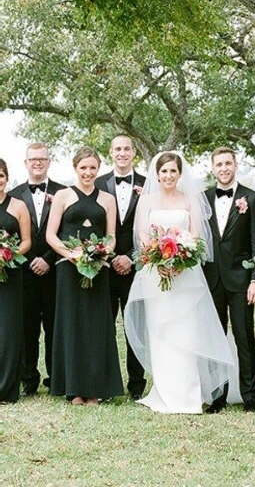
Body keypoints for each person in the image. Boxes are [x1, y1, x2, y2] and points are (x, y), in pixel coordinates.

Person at [124, 151, 234, 414]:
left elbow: (196, 236)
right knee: (161, 332)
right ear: (157, 174)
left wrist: (180, 261)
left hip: (186, 275)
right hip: (155, 274)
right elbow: (141, 235)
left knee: (185, 331)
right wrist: (158, 260)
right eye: (164, 171)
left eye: (173, 171)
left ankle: (188, 395)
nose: (169, 176)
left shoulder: (188, 200)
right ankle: (164, 392)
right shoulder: (146, 200)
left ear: (180, 173)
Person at [46, 146, 123, 405]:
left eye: (93, 167)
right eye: (83, 168)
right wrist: (71, 254)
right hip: (68, 270)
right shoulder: (63, 195)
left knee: (96, 326)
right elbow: (51, 235)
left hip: (99, 269)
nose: (88, 172)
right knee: (72, 324)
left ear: (98, 168)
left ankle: (95, 388)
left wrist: (102, 253)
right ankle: (74, 389)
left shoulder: (107, 199)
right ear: (75, 168)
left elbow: (112, 236)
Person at [203, 147, 255, 412]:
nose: (224, 168)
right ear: (213, 168)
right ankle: (217, 396)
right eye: (219, 164)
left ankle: (250, 397)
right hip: (211, 280)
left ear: (236, 165)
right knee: (214, 340)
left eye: (228, 163)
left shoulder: (252, 198)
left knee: (244, 338)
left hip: (242, 281)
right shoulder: (203, 198)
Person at [9, 142, 65, 396]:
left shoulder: (64, 192)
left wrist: (48, 259)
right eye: (33, 159)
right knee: (27, 327)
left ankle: (56, 379)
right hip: (25, 271)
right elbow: (12, 236)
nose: (38, 163)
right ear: (26, 163)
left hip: (55, 270)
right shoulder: (14, 195)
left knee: (55, 326)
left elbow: (67, 231)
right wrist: (32, 258)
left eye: (42, 159)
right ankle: (28, 378)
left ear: (49, 161)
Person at [95, 135, 146, 400]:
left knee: (135, 326)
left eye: (127, 149)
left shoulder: (149, 185)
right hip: (104, 267)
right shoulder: (97, 183)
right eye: (118, 149)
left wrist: (131, 257)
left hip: (138, 268)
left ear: (134, 152)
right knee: (104, 326)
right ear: (110, 152)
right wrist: (113, 256)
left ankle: (137, 385)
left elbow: (152, 229)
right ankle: (105, 384)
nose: (122, 153)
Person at [0, 158, 31, 403]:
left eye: (1, 175)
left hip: (11, 275)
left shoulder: (18, 205)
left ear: (7, 178)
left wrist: (8, 255)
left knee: (9, 330)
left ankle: (7, 387)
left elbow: (26, 241)